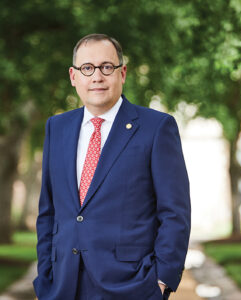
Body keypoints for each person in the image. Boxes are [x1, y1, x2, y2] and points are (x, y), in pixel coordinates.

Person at [33, 33, 191, 300]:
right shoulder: (56, 128)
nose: (97, 77)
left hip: (131, 286)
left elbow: (175, 212)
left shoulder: (156, 128)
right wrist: (45, 274)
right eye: (87, 68)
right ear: (74, 77)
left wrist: (162, 280)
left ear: (123, 73)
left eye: (107, 67)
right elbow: (48, 212)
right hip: (62, 285)